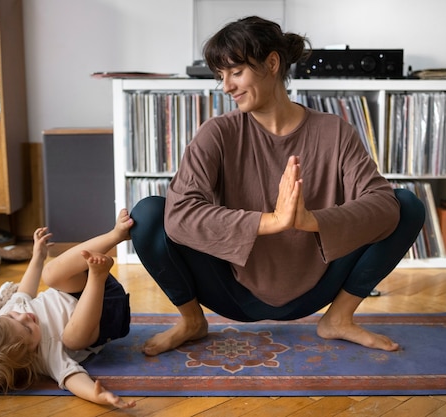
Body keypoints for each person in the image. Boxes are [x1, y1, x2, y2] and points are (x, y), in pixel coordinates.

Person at [129, 16, 425, 357]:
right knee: (149, 214)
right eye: (220, 76)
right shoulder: (217, 133)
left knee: (406, 205)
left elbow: (383, 206)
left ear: (271, 63)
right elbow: (179, 213)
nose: (226, 87)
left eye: (235, 72)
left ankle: (339, 319)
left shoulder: (335, 131)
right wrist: (272, 221)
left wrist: (311, 221)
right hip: (228, 289)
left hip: (319, 286)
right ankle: (192, 321)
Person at [0, 209, 136, 409]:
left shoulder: (5, 314)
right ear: (30, 356)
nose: (25, 316)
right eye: (27, 329)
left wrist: (38, 258)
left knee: (50, 275)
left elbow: (24, 291)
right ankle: (97, 276)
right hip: (107, 313)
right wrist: (98, 395)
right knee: (72, 340)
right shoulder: (46, 356)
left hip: (85, 285)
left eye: (13, 317)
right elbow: (72, 378)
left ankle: (116, 234)